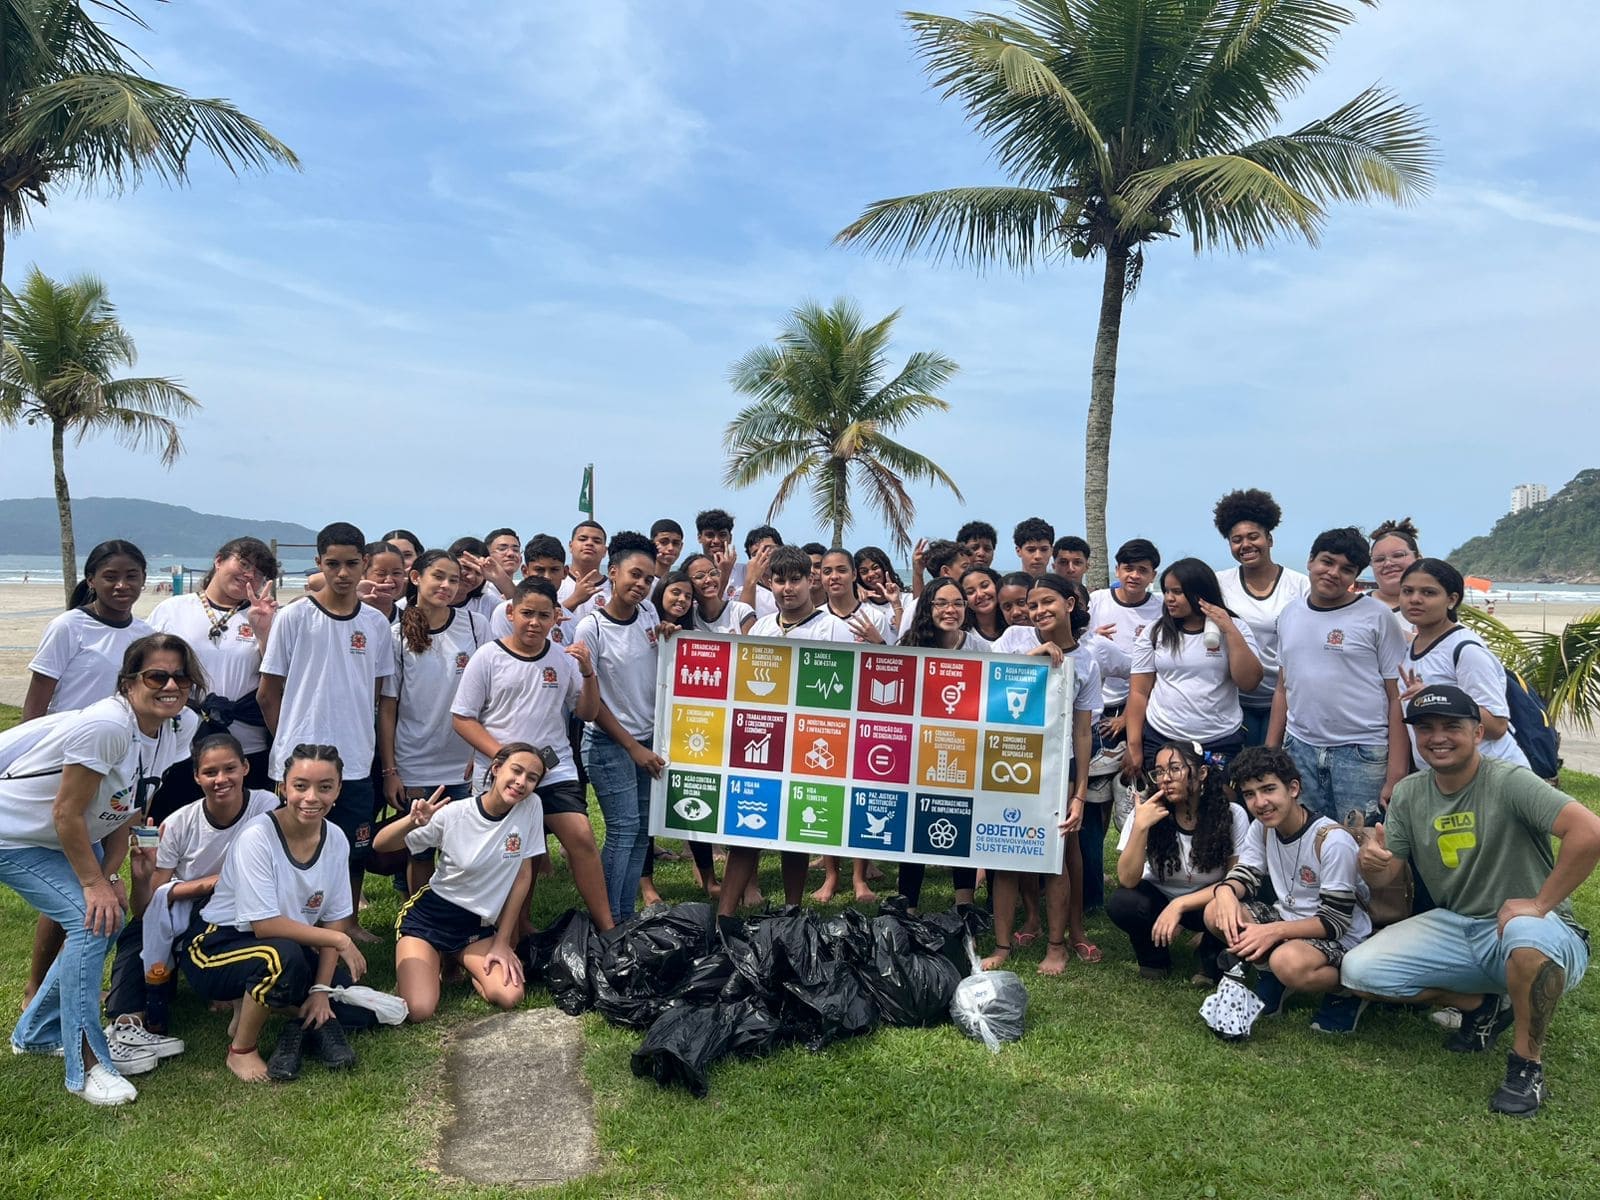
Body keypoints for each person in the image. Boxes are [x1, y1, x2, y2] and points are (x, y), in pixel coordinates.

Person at [1341, 685, 1600, 1117]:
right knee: (1358, 971)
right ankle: (1480, 1005)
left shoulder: (1509, 780)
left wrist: (1540, 904)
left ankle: (1526, 1065)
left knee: (1525, 933)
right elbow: (1390, 870)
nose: (1437, 737)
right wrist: (1373, 863)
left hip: (1541, 932)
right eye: (1425, 729)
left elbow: (1589, 832)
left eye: (1451, 726)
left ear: (1478, 732)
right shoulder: (1408, 793)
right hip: (1459, 923)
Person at [0, 633, 201, 1105]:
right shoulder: (108, 725)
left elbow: (129, 807)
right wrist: (92, 883)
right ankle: (89, 1064)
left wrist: (110, 876)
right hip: (14, 834)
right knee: (91, 923)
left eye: (181, 676)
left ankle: (36, 1033)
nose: (170, 685)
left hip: (59, 836)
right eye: (156, 676)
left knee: (104, 918)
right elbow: (67, 813)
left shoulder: (176, 727)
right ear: (129, 682)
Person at [182, 743, 374, 1084]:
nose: (311, 797)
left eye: (325, 787)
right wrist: (339, 939)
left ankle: (262, 1008)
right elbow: (264, 924)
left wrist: (320, 992)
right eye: (300, 786)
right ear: (283, 787)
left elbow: (334, 918)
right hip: (214, 945)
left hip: (284, 944)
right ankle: (240, 1051)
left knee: (355, 1009)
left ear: (338, 789)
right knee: (278, 957)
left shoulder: (337, 839)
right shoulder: (256, 836)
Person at [258, 522, 397, 924]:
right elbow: (268, 693)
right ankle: (294, 922)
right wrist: (287, 742)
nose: (342, 573)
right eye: (332, 563)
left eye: (352, 564)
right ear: (318, 563)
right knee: (296, 844)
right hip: (299, 761)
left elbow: (374, 695)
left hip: (354, 758)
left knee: (352, 846)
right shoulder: (295, 617)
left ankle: (347, 922)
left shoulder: (374, 624)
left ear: (365, 564)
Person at [452, 577, 609, 930]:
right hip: (500, 773)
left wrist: (588, 672)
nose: (534, 623)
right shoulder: (488, 657)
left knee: (581, 836)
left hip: (555, 769)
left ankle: (608, 927)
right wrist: (504, 756)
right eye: (526, 613)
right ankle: (509, 929)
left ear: (556, 617)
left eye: (543, 615)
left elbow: (586, 712)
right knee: (509, 854)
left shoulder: (562, 659)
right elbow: (462, 718)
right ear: (511, 612)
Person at [105, 733, 280, 1034]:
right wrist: (141, 876)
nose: (221, 779)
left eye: (230, 769)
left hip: (238, 904)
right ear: (197, 777)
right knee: (137, 937)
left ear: (246, 768)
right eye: (210, 772)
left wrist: (213, 884)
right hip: (184, 905)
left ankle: (227, 988)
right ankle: (126, 1019)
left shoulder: (266, 804)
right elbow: (147, 907)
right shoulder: (177, 824)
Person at [719, 546, 856, 920]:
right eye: (780, 581)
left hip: (813, 742)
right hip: (765, 743)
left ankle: (792, 910)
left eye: (795, 579)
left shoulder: (833, 628)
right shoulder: (762, 627)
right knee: (746, 829)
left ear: (809, 581)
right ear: (770, 583)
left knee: (796, 832)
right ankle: (724, 917)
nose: (788, 588)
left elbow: (848, 688)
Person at [374, 743, 555, 1022]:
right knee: (419, 1010)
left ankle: (457, 960)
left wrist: (502, 942)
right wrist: (411, 822)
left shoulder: (531, 806)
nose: (521, 782)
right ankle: (433, 960)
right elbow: (381, 845)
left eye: (531, 778)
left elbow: (522, 876)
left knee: (510, 996)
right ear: (496, 769)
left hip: (475, 927)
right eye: (516, 771)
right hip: (430, 919)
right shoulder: (454, 813)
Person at [1205, 745, 1373, 1034]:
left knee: (1288, 962)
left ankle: (1348, 993)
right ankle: (1273, 977)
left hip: (1341, 936)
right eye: (1249, 794)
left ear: (1293, 788)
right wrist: (1224, 892)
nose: (1260, 802)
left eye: (1268, 789)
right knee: (1215, 913)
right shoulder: (1263, 827)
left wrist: (1271, 932)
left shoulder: (1332, 840)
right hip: (1291, 920)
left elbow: (1334, 922)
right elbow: (1246, 876)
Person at [987, 575, 1099, 974]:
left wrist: (1080, 793)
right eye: (1033, 605)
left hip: (1057, 767)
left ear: (1070, 603)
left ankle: (1058, 945)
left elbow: (1084, 732)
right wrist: (1033, 657)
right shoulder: (1015, 640)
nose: (1038, 611)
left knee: (1059, 857)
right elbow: (985, 684)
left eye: (1047, 602)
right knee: (1003, 854)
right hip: (1007, 761)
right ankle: (1002, 946)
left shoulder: (1087, 661)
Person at [1269, 527, 1408, 826]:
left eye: (1347, 569)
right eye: (1327, 562)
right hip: (1299, 748)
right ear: (1310, 561)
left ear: (1356, 576)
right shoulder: (1290, 614)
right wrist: (1271, 752)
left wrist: (1396, 773)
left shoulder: (1377, 616)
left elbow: (1395, 696)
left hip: (1362, 753)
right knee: (1306, 842)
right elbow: (1283, 687)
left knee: (1363, 848)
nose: (1333, 573)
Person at [377, 550, 491, 894]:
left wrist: (480, 749)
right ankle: (419, 921)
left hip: (466, 762)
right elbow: (388, 708)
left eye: (453, 579)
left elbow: (489, 692)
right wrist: (391, 770)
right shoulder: (395, 635)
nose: (446, 585)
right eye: (438, 576)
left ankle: (461, 920)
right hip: (416, 762)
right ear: (416, 579)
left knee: (466, 849)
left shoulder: (474, 625)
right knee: (421, 849)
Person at [144, 537, 279, 822]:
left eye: (258, 573)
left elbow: (278, 678)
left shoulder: (266, 616)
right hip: (180, 740)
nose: (248, 575)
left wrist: (264, 632)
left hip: (247, 745)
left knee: (244, 831)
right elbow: (145, 669)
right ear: (219, 560)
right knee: (171, 823)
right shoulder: (173, 610)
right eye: (243, 564)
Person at [573, 532, 665, 924]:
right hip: (611, 744)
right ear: (613, 573)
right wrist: (631, 746)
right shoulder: (590, 628)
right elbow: (593, 706)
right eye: (634, 575)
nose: (641, 585)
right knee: (624, 831)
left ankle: (625, 917)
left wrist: (670, 637)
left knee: (643, 834)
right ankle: (610, 920)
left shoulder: (648, 615)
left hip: (647, 739)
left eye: (648, 579)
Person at [889, 580, 990, 915]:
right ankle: (909, 906)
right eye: (941, 603)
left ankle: (965, 904)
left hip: (964, 753)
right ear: (927, 609)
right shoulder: (909, 646)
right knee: (912, 827)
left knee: (959, 821)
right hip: (919, 753)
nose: (951, 610)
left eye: (959, 603)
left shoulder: (979, 648)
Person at [1109, 742, 1248, 983]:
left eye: (1175, 769)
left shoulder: (1232, 814)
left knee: (1229, 903)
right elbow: (1127, 879)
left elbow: (1236, 880)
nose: (1165, 778)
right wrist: (1141, 827)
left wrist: (1180, 905)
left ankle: (1210, 953)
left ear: (1202, 773)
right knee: (1123, 902)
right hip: (1158, 898)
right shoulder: (1146, 811)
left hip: (1209, 900)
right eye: (1160, 771)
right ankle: (1153, 958)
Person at [1123, 558, 1263, 774]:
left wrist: (1230, 629)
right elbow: (1139, 692)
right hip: (1163, 738)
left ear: (1200, 593)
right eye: (1167, 591)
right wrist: (1134, 746)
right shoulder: (1155, 633)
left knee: (1219, 804)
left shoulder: (1235, 628)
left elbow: (1249, 682)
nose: (1169, 598)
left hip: (1219, 741)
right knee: (1165, 805)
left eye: (1177, 592)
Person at [1398, 559, 1528, 768]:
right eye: (1407, 591)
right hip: (1445, 777)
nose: (1415, 599)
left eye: (1428, 593)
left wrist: (1435, 697)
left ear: (1451, 600)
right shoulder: (1411, 648)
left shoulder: (1466, 650)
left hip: (1490, 774)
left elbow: (1497, 725)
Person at [1213, 488, 1309, 746]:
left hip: (1285, 698)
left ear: (1269, 539)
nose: (1245, 545)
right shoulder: (1220, 583)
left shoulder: (1300, 586)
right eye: (1236, 539)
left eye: (1253, 536)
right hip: (1233, 699)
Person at [24, 539, 152, 720]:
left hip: (122, 743)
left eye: (131, 576)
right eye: (110, 577)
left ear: (143, 579)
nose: (122, 585)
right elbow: (36, 705)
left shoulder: (146, 635)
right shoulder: (68, 627)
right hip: (67, 740)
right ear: (91, 580)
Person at [1088, 539, 1164, 752]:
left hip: (1137, 703)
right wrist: (1092, 636)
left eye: (1142, 570)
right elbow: (1076, 646)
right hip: (1093, 701)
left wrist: (1126, 718)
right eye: (1128, 568)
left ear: (1153, 576)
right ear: (1117, 570)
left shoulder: (1161, 609)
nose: (1134, 576)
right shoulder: (1096, 600)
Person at [820, 547, 893, 644]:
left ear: (854, 574)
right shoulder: (815, 617)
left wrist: (878, 643)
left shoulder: (875, 617)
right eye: (827, 572)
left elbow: (888, 658)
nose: (834, 577)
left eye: (842, 570)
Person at [1369, 518, 1421, 636]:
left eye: (1398, 555)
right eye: (1379, 559)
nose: (1388, 564)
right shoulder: (1355, 605)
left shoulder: (1435, 610)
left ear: (1419, 559)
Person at [683, 552, 755, 635]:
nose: (709, 580)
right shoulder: (689, 616)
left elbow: (753, 646)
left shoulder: (741, 611)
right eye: (700, 576)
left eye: (713, 573)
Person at [853, 546, 906, 631]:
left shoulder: (906, 599)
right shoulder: (860, 603)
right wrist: (855, 586)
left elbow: (907, 635)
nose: (871, 574)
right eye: (864, 572)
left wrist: (896, 604)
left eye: (875, 568)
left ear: (885, 567)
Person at [359, 540, 408, 623]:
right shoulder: (347, 615)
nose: (389, 580)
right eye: (381, 573)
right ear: (362, 574)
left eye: (396, 573)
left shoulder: (410, 623)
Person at [960, 565, 1008, 642]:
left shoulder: (1016, 625)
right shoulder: (962, 636)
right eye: (970, 592)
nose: (980, 594)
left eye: (985, 586)